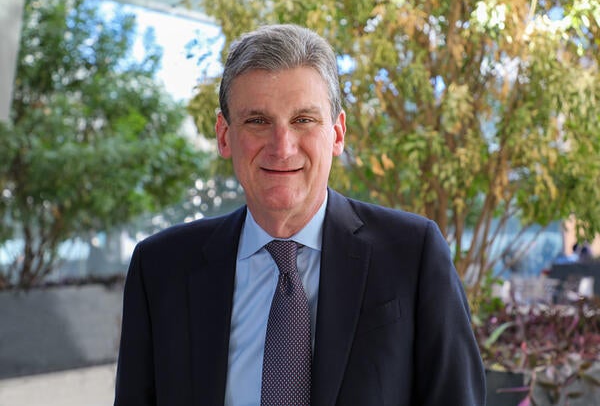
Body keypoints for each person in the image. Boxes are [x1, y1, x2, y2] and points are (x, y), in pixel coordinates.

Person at [114, 24, 486, 406]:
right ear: (224, 136)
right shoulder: (160, 268)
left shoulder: (413, 254)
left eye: (303, 120)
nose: (282, 146)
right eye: (258, 121)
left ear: (337, 134)